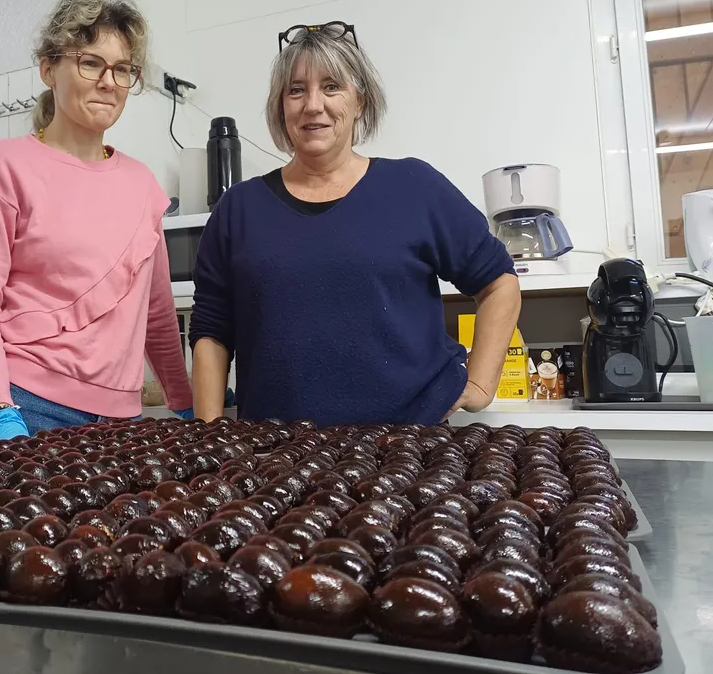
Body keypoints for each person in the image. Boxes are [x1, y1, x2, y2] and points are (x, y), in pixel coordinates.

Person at [189, 22, 521, 426]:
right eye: (296, 90)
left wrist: (482, 385)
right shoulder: (237, 209)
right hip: (275, 458)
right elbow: (211, 329)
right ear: (281, 106)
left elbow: (498, 282)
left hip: (408, 453)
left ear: (360, 101)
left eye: (331, 87)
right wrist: (210, 435)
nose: (313, 105)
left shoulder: (414, 187)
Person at [0, 0, 193, 446]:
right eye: (90, 62)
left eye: (122, 69)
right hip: (23, 404)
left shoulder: (142, 184)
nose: (109, 82)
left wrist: (185, 400)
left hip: (121, 424)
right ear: (48, 68)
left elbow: (155, 316)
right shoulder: (1, 167)